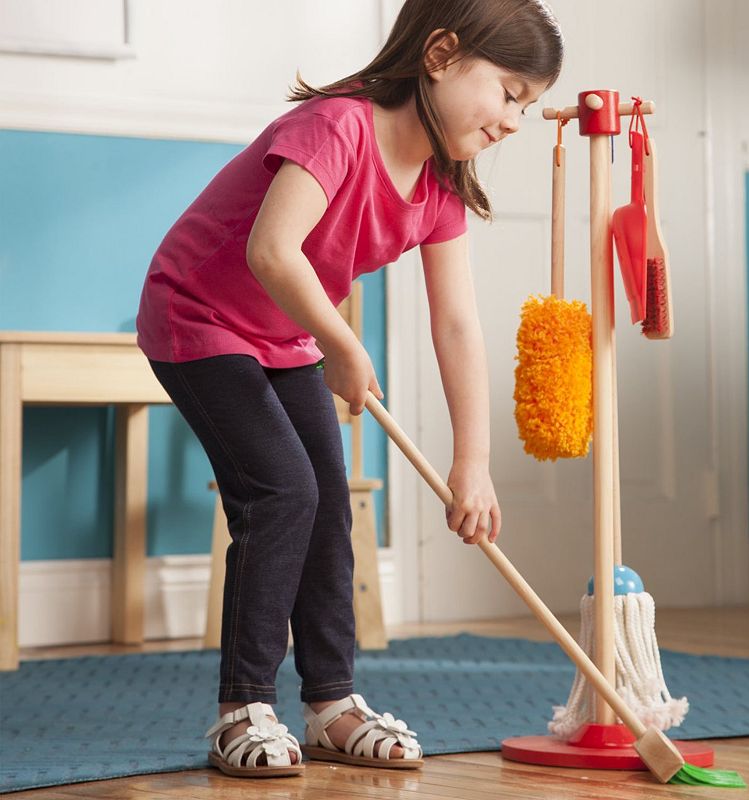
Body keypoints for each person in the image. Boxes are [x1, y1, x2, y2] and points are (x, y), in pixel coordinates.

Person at [136, 0, 562, 779]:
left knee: (329, 501)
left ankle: (331, 702)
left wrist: (473, 459)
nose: (513, 123)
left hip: (284, 334)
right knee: (284, 491)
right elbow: (272, 250)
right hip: (196, 314)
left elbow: (458, 327)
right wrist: (342, 344)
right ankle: (242, 708)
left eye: (526, 107)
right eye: (507, 93)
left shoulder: (439, 188)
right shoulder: (338, 126)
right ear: (440, 54)